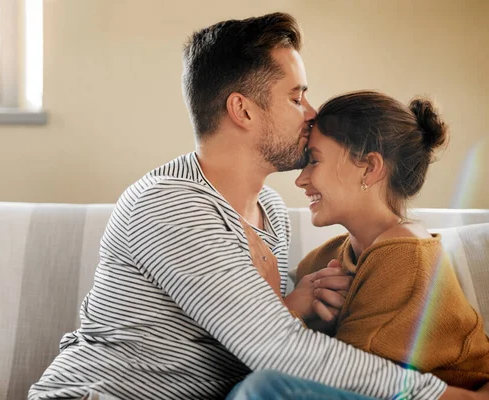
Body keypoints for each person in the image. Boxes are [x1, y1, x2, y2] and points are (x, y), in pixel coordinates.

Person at [29, 13, 487, 400]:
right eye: (295, 97)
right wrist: (449, 396)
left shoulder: (268, 210)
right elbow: (275, 352)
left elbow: (241, 336)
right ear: (242, 111)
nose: (311, 113)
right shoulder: (168, 206)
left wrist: (291, 303)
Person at [288, 91, 489, 388]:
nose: (300, 179)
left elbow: (337, 382)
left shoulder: (406, 255)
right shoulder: (321, 260)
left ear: (370, 167)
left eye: (314, 161)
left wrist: (291, 313)